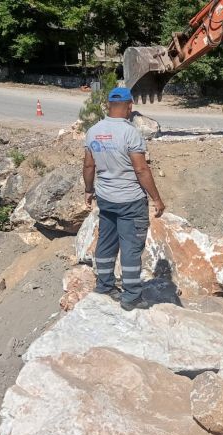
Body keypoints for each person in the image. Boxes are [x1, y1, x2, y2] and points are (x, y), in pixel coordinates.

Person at [83, 86, 166, 311]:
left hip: (106, 198)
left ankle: (104, 286)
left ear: (108, 106)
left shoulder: (93, 131)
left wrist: (89, 190)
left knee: (106, 242)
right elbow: (141, 170)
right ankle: (131, 297)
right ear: (130, 106)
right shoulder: (130, 133)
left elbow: (89, 165)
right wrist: (157, 198)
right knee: (130, 247)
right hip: (130, 201)